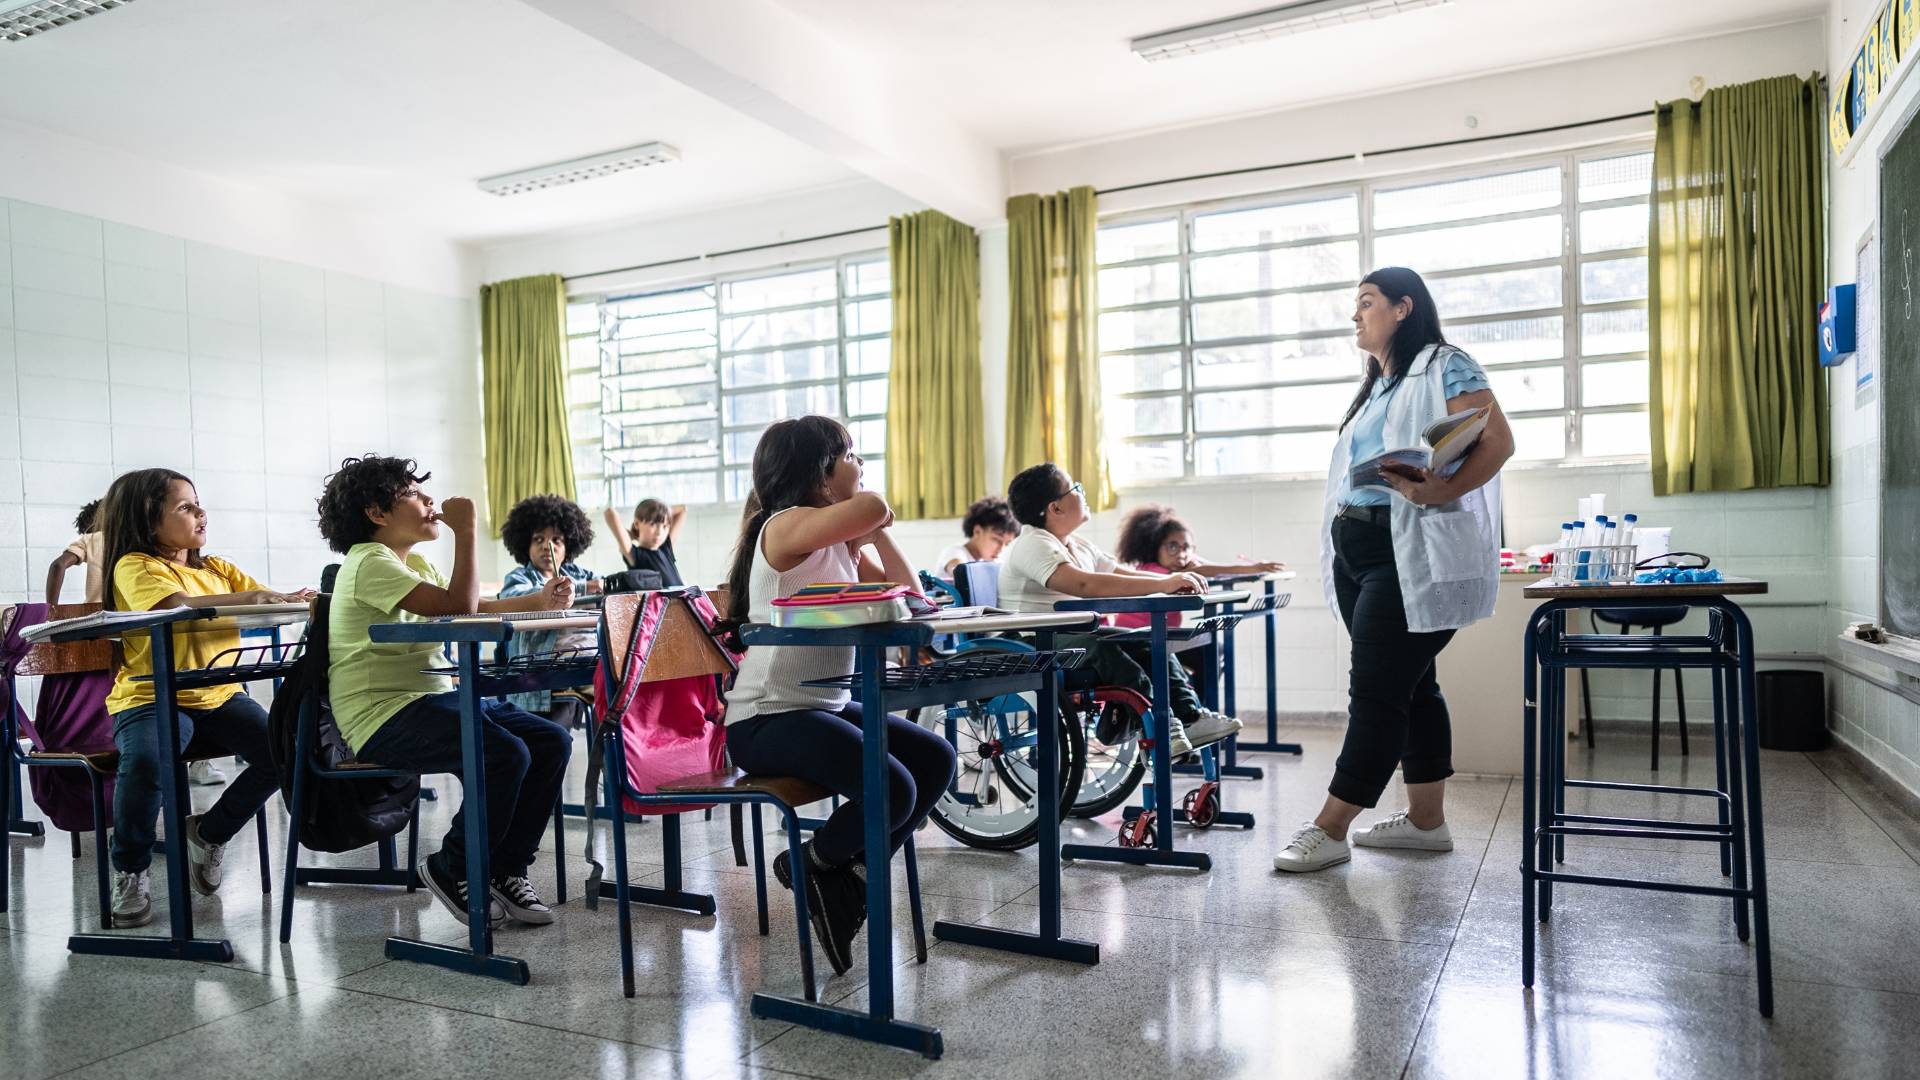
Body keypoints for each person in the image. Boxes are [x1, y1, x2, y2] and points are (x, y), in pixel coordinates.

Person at [1272, 267, 1513, 873]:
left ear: (1404, 308)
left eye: (1367, 303)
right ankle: (1427, 823)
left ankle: (1331, 828)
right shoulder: (1378, 385)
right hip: (1358, 551)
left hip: (1409, 549)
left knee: (1377, 694)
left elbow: (1497, 441)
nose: (1356, 316)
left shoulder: (1445, 364)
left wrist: (1439, 491)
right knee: (1415, 686)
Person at [717, 416, 958, 977]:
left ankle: (838, 874)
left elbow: (912, 596)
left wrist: (871, 535)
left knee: (935, 759)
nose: (860, 464)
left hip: (820, 706)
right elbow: (872, 504)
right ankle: (816, 865)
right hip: (766, 717)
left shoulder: (836, 538)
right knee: (892, 788)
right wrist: (868, 520)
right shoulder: (784, 525)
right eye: (849, 454)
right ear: (820, 475)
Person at [319, 455, 574, 926]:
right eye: (415, 494)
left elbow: (471, 606)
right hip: (383, 714)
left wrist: (539, 601)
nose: (429, 500)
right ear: (377, 513)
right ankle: (451, 864)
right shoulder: (368, 562)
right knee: (504, 754)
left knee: (551, 740)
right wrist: (467, 530)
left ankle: (505, 868)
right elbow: (458, 605)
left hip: (434, 698)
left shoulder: (409, 563)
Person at [97, 469, 314, 927]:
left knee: (285, 750)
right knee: (146, 763)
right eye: (186, 507)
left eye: (199, 505)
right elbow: (174, 607)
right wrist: (254, 597)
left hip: (217, 694)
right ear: (147, 518)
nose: (201, 514)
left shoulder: (217, 568)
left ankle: (210, 832)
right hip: (150, 695)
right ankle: (131, 869)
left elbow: (264, 600)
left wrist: (288, 598)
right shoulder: (136, 566)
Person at [997, 463, 1241, 755]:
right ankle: (1159, 726)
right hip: (1033, 640)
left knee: (1147, 642)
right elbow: (1084, 585)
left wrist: (1170, 581)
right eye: (1075, 488)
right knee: (1104, 649)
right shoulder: (1032, 544)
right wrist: (1166, 585)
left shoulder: (1075, 544)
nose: (1081, 492)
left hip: (1069, 636)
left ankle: (1190, 717)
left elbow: (1121, 573)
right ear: (1056, 508)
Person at [498, 494, 600, 722]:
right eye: (538, 539)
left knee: (618, 709)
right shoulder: (518, 577)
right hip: (545, 673)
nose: (548, 546)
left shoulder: (584, 574)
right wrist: (581, 589)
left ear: (569, 546)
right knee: (552, 737)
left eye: (557, 540)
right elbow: (513, 597)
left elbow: (606, 594)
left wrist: (602, 588)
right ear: (526, 544)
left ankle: (606, 756)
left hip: (590, 663)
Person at [1110, 504, 1286, 630]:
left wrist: (1255, 566)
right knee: (1210, 652)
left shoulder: (1179, 564)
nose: (1181, 554)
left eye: (1186, 547)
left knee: (1215, 651)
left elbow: (1206, 565)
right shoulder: (1151, 571)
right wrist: (1252, 569)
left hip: (1161, 636)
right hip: (1135, 637)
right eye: (1172, 546)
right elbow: (1204, 570)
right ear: (1154, 547)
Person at [604, 499, 685, 586]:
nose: (659, 533)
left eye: (665, 526)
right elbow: (609, 513)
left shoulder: (665, 549)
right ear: (637, 524)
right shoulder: (635, 554)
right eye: (653, 524)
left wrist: (662, 513)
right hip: (664, 600)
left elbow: (682, 509)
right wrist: (632, 535)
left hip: (685, 598)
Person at [934, 496, 1019, 575]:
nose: (1001, 549)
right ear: (977, 531)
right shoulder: (955, 552)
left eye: (1007, 544)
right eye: (997, 540)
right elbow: (961, 574)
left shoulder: (992, 562)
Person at [45, 499, 103, 604]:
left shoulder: (91, 540)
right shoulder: (134, 538)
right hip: (133, 612)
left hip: (97, 612)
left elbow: (58, 565)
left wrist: (51, 610)